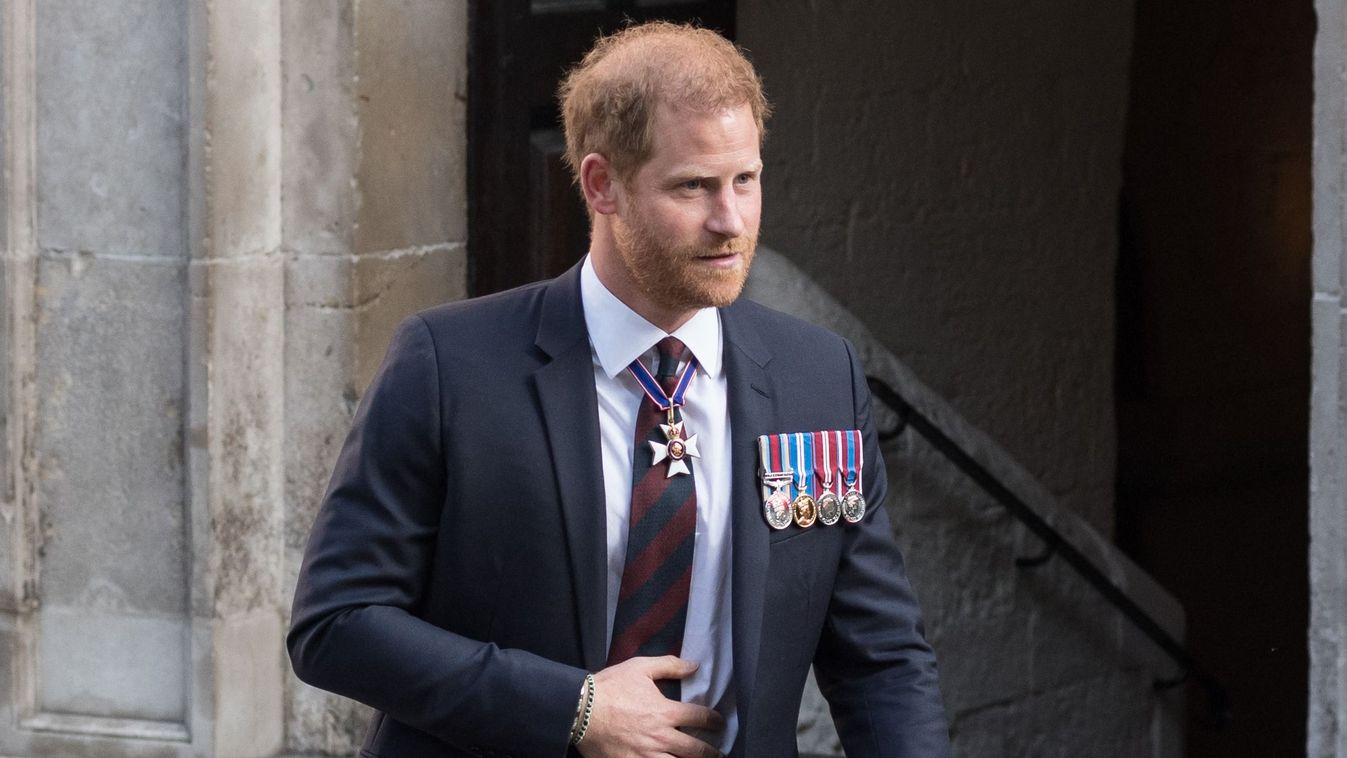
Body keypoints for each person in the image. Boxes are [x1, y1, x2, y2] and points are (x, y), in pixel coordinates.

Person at [288, 21, 949, 758]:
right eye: (692, 186)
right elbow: (336, 623)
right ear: (602, 184)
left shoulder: (816, 376)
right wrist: (571, 709)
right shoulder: (448, 365)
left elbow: (880, 658)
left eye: (745, 179)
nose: (729, 221)